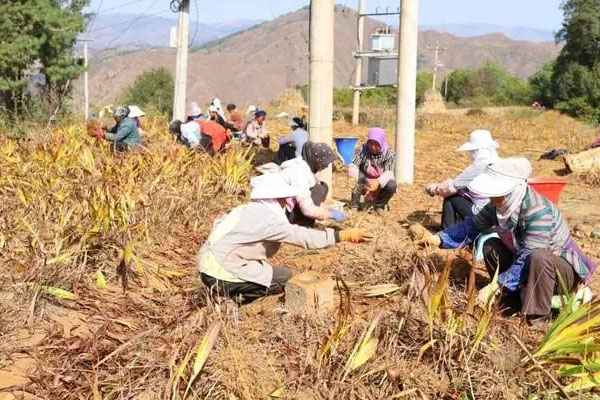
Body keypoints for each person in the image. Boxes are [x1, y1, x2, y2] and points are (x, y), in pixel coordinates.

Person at [418, 158, 597, 324]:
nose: (493, 200)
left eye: (497, 195)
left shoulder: (538, 211)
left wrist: (495, 285)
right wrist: (439, 239)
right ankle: (512, 300)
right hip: (530, 264)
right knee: (491, 246)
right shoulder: (499, 204)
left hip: (560, 271)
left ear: (513, 191)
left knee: (538, 257)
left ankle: (536, 316)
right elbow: (473, 225)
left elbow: (527, 257)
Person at [198, 174, 372, 304]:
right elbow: (304, 237)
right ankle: (233, 300)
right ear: (275, 198)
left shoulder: (247, 209)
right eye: (283, 199)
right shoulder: (268, 219)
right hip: (220, 272)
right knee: (284, 277)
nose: (285, 203)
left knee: (267, 270)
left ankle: (225, 290)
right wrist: (341, 235)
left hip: (206, 265)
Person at [426, 129, 501, 229]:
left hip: (483, 216)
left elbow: (450, 188)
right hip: (499, 216)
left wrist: (433, 188)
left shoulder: (478, 167)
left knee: (451, 197)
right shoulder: (500, 163)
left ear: (476, 151)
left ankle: (448, 233)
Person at [278, 142, 346, 227]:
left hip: (289, 207)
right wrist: (329, 214)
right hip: (282, 214)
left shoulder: (305, 167)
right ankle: (303, 224)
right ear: (319, 161)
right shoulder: (299, 174)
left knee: (323, 186)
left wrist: (325, 208)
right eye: (325, 163)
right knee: (318, 190)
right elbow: (307, 209)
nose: (327, 166)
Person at [348, 127, 397, 211]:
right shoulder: (362, 150)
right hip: (364, 182)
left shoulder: (390, 154)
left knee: (391, 185)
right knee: (357, 177)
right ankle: (354, 206)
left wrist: (378, 182)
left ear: (381, 142)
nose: (373, 147)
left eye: (376, 144)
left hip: (381, 182)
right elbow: (352, 166)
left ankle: (379, 206)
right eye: (370, 143)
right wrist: (355, 177)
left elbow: (389, 172)